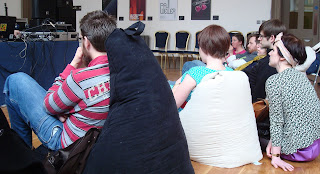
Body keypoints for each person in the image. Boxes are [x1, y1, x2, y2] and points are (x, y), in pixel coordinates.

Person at [3, 10, 117, 150]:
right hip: (96, 140)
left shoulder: (79, 78)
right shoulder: (121, 72)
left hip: (69, 145)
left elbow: (48, 105)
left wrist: (73, 65)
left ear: (86, 42)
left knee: (15, 81)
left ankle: (22, 155)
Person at [265, 33, 320, 172]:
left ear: (282, 56)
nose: (270, 53)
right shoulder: (302, 77)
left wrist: (276, 156)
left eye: (273, 50)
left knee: (256, 133)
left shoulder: (274, 81)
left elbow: (277, 121)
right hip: (314, 146)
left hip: (297, 151)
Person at [172, 24, 233, 110]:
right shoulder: (233, 73)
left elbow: (172, 107)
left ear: (204, 48)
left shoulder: (195, 73)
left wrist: (177, 84)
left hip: (193, 119)